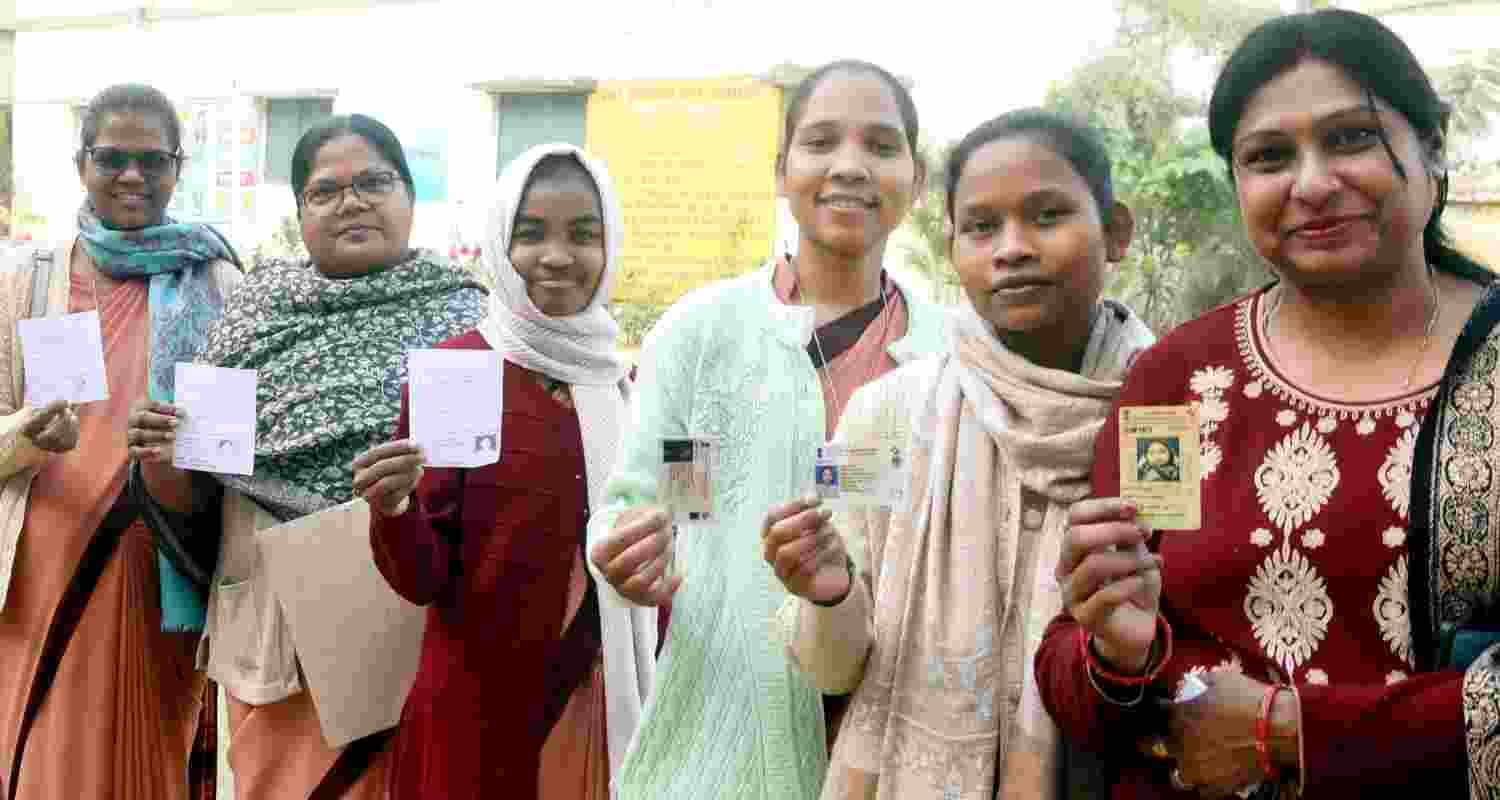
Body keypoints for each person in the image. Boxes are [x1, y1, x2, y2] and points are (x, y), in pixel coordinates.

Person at [1034, 9, 1497, 798]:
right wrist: (1117, 653)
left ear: (1434, 149)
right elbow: (1079, 653)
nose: (1311, 184)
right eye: (1269, 156)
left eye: (1352, 137)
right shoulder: (1180, 384)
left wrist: (1288, 731)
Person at [766, 109, 1154, 800]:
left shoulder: (1168, 414)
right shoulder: (880, 415)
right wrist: (828, 593)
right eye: (981, 227)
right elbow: (831, 672)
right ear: (953, 249)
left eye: (1047, 215)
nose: (1011, 248)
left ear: (1115, 231)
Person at [586, 60, 948, 798]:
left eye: (881, 146)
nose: (849, 165)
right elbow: (666, 501)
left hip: (901, 740)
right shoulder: (704, 334)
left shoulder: (950, 350)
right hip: (722, 734)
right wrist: (625, 553)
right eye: (820, 143)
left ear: (916, 180)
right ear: (782, 172)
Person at [129, 113, 487, 800]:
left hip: (417, 617)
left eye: (374, 182)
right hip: (275, 626)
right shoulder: (255, 310)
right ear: (300, 212)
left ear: (411, 198)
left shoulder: (468, 318)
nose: (351, 202)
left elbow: (478, 489)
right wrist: (165, 454)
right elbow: (202, 493)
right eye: (325, 191)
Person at [354, 143, 651, 800]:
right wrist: (395, 508)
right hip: (474, 724)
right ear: (499, 242)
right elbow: (424, 578)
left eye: (583, 235)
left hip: (594, 715)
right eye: (531, 233)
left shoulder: (625, 390)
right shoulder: (458, 371)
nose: (557, 255)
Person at [0, 83, 240, 800]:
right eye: (113, 158)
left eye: (151, 160)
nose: (132, 176)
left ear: (178, 167)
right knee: (45, 752)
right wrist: (25, 435)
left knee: (152, 761)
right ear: (82, 163)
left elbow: (238, 445)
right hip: (43, 567)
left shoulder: (219, 282)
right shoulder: (28, 282)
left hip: (163, 575)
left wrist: (187, 447)